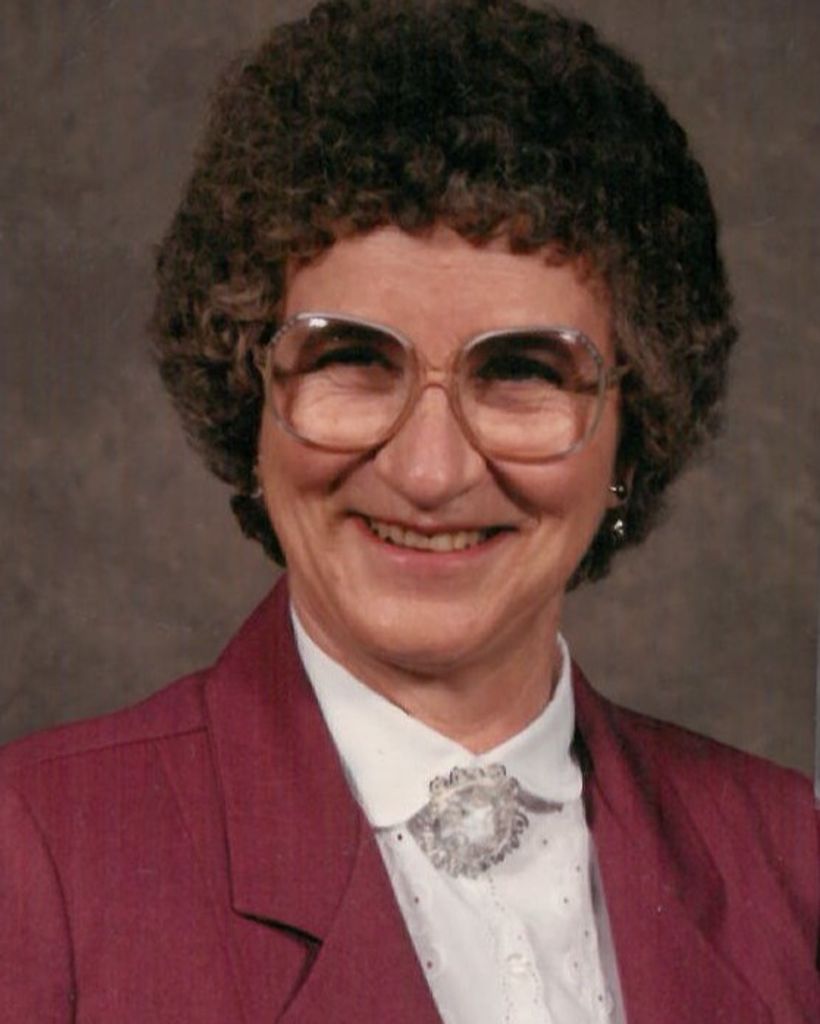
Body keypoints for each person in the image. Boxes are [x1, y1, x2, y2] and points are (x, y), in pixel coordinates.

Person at [1, 1, 816, 1021]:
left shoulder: (794, 856)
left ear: (633, 429)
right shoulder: (35, 855)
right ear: (248, 399)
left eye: (522, 371)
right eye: (352, 358)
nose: (431, 473)